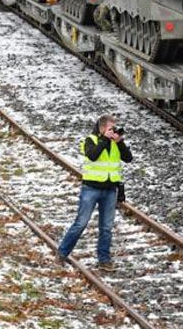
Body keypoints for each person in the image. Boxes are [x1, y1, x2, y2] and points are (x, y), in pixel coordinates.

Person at [57, 115, 131, 271]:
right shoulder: (90, 140)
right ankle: (62, 253)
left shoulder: (116, 143)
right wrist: (105, 139)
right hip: (91, 189)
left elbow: (128, 158)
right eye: (111, 128)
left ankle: (104, 259)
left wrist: (120, 142)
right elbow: (93, 155)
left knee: (106, 228)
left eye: (115, 128)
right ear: (102, 128)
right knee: (81, 224)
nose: (113, 131)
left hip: (110, 189)